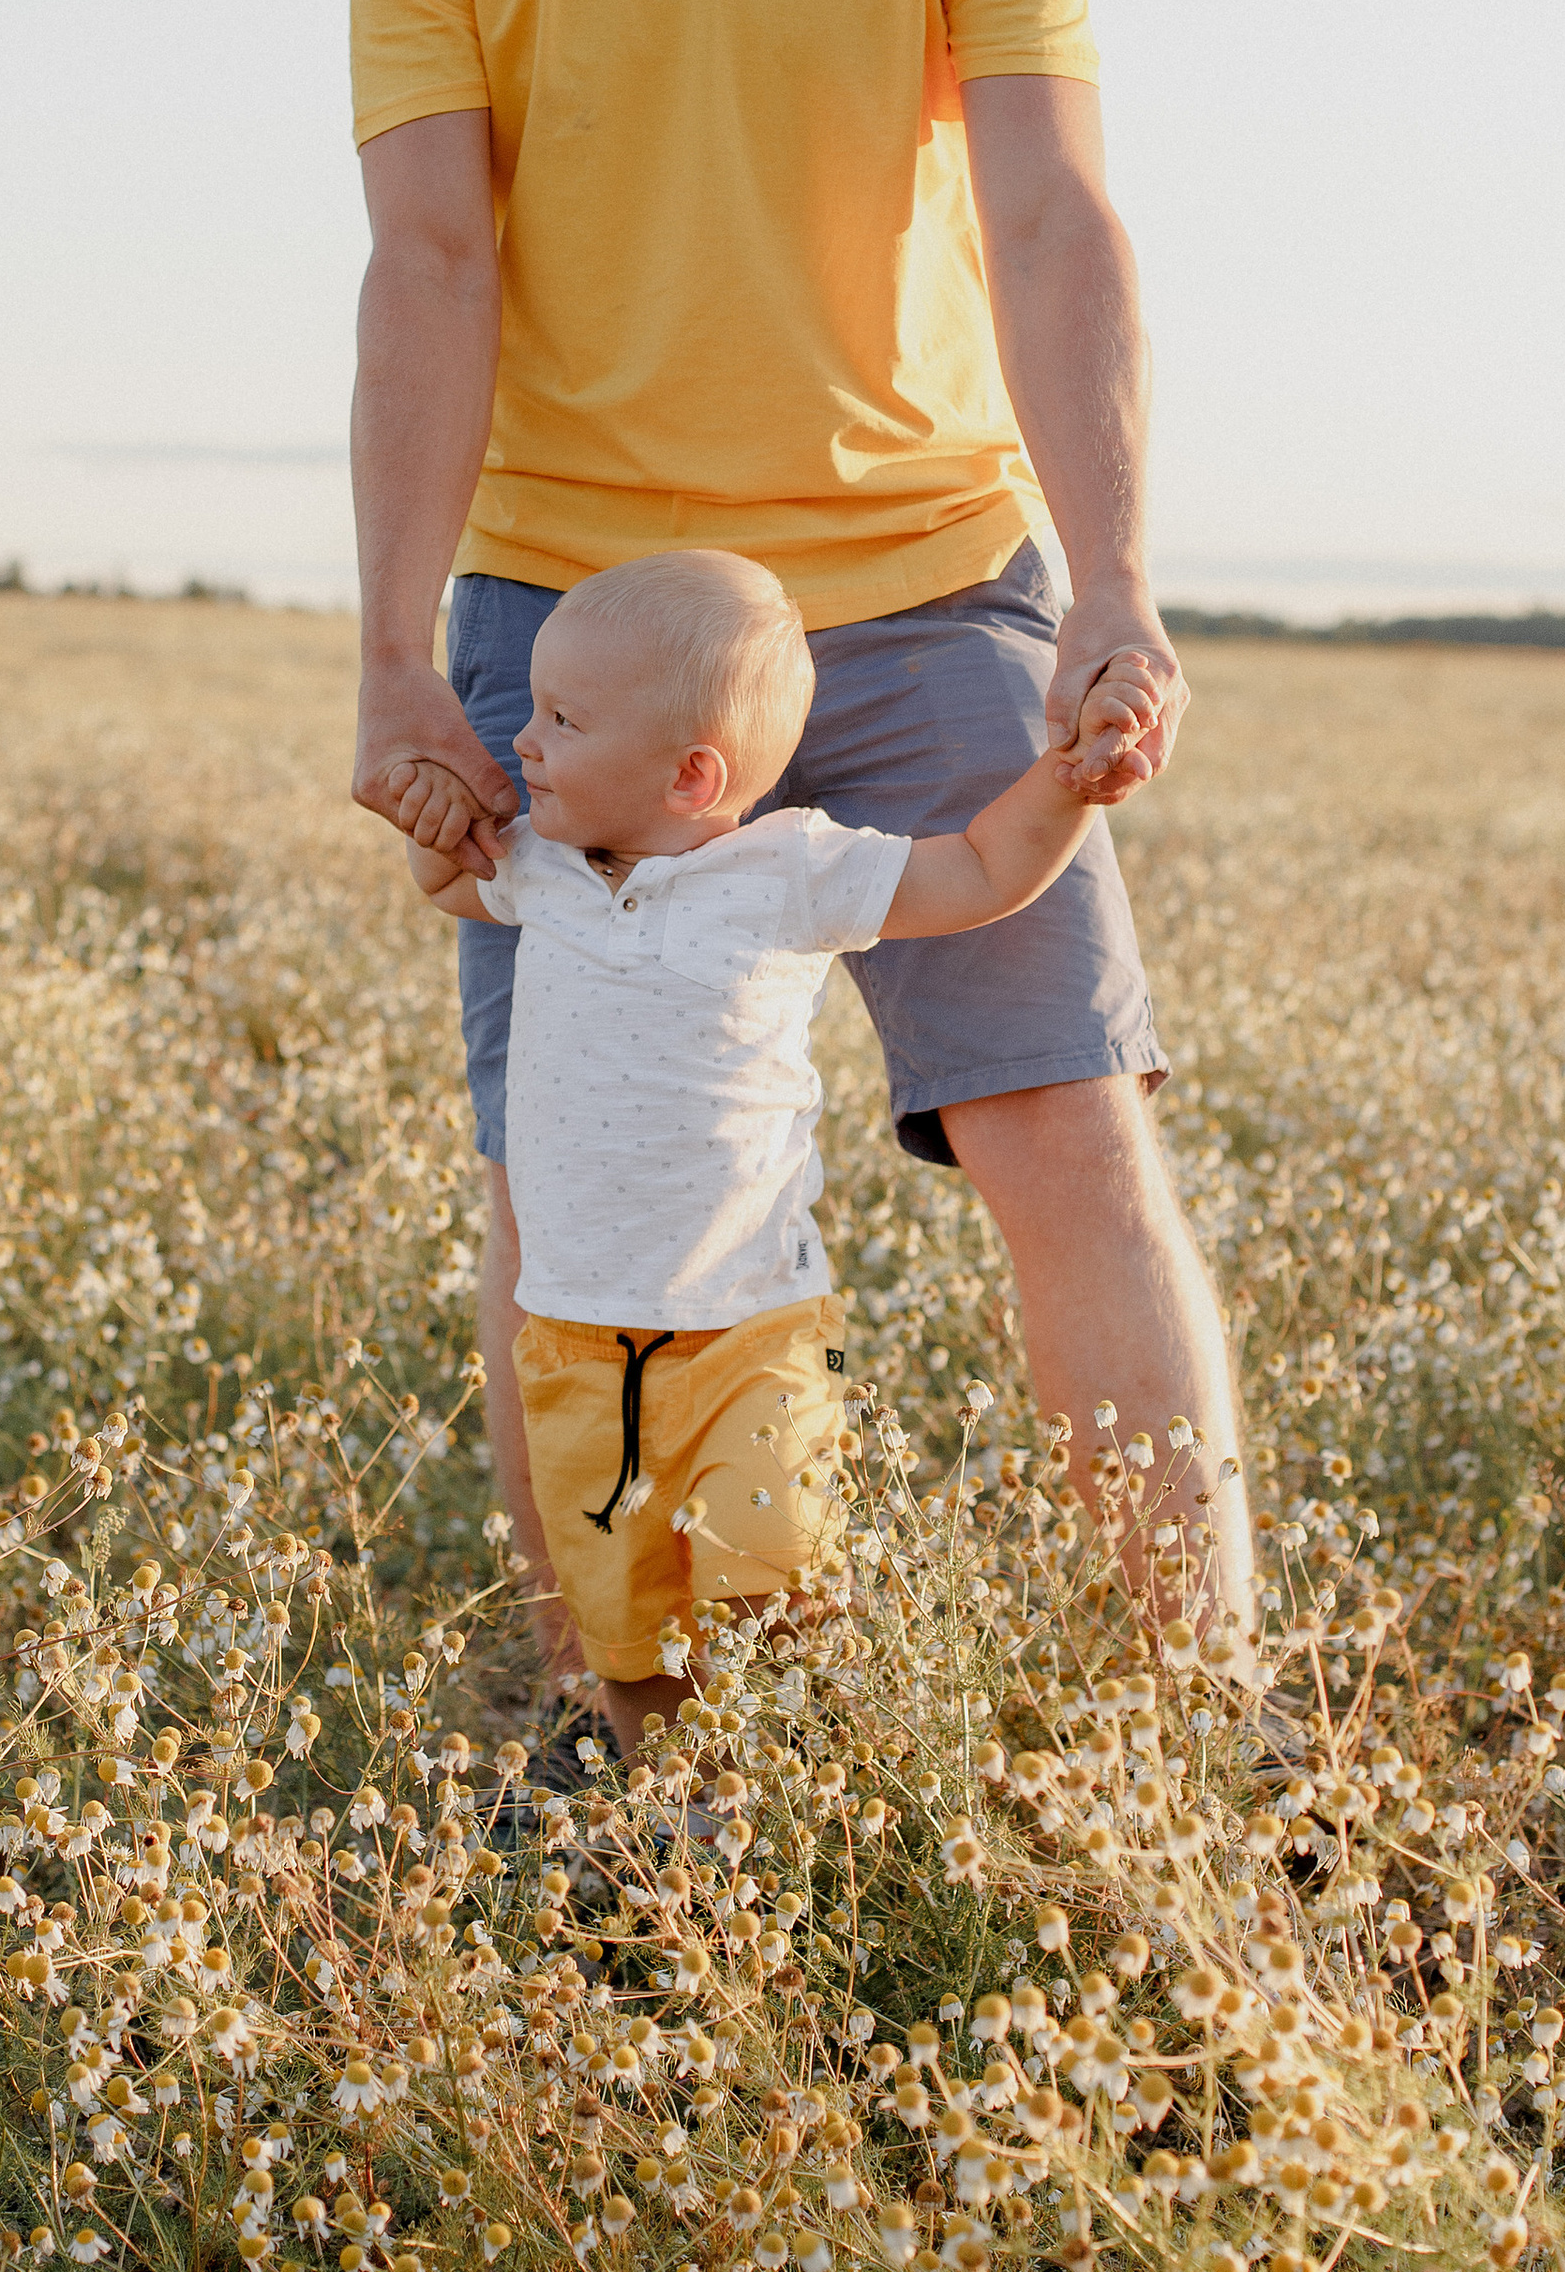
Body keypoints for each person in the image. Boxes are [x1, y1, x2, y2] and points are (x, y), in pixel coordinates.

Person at [346, 0, 1255, 1691]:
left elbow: (1058, 224)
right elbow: (429, 262)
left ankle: (1199, 1725)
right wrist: (385, 658)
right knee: (567, 1202)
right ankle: (611, 1736)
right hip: (572, 632)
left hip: (925, 594)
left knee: (1065, 1130)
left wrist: (1116, 591)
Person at [390, 550, 1153, 1758]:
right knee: (627, 1619)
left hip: (752, 1327)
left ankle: (783, 1801)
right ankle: (669, 1817)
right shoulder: (535, 865)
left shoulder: (790, 870)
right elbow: (445, 885)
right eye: (532, 709)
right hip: (580, 1334)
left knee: (774, 1585)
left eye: (561, 719)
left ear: (693, 776)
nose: (521, 742)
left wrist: (1069, 782)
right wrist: (432, 819)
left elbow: (984, 868)